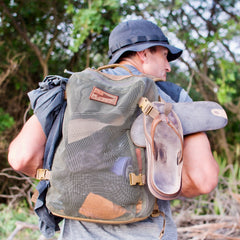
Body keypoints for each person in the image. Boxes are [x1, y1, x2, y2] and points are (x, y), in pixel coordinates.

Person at [8, 19, 219, 239]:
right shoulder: (172, 98)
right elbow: (203, 179)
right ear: (144, 54)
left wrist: (66, 178)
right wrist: (158, 186)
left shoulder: (71, 91)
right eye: (165, 56)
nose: (168, 66)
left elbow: (21, 158)